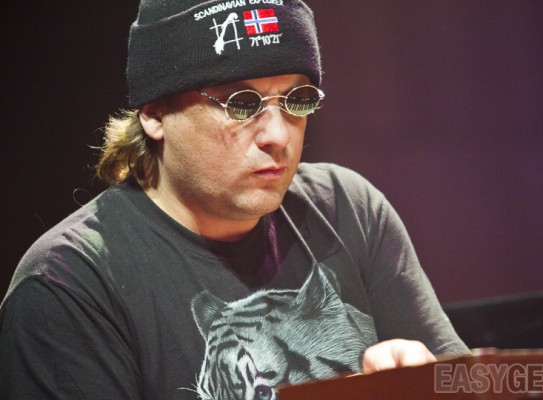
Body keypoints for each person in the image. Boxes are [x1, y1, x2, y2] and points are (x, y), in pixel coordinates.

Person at [0, 0, 469, 398]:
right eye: (242, 104)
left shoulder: (348, 208)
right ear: (155, 114)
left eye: (297, 99)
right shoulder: (69, 286)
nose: (278, 135)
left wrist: (430, 385)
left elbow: (469, 383)